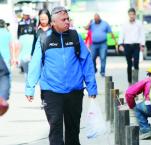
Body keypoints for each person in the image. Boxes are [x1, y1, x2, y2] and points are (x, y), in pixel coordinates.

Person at [25, 6, 98, 145]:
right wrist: (30, 87)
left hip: (74, 92)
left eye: (68, 19)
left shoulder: (75, 36)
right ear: (53, 23)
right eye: (63, 20)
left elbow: (86, 62)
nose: (67, 22)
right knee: (55, 129)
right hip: (51, 92)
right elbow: (35, 64)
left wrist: (91, 86)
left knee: (73, 131)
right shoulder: (44, 39)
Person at [118, 8, 145, 85]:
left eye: (133, 14)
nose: (131, 16)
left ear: (135, 15)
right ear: (128, 15)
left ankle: (135, 81)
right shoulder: (125, 24)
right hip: (127, 45)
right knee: (129, 64)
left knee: (136, 63)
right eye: (130, 14)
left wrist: (142, 45)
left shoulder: (139, 23)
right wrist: (120, 44)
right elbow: (121, 34)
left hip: (136, 45)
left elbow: (142, 34)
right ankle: (130, 82)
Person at [17, 8, 37, 77]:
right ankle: (23, 66)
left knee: (30, 54)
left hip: (30, 39)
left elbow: (35, 31)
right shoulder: (20, 22)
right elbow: (18, 32)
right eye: (24, 15)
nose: (25, 16)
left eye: (26, 15)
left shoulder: (33, 21)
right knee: (23, 54)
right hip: (23, 39)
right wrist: (19, 39)